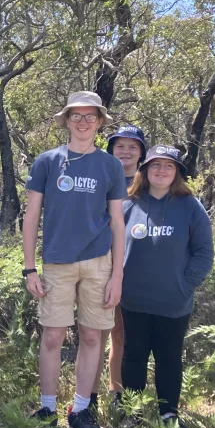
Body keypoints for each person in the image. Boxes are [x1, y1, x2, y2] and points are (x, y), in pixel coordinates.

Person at [22, 91, 127, 428]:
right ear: (66, 121)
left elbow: (116, 222)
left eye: (89, 116)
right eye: (76, 116)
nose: (83, 122)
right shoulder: (48, 162)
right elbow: (32, 215)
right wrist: (29, 268)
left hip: (99, 263)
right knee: (52, 335)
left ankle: (81, 411)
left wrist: (117, 275)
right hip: (56, 262)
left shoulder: (110, 165)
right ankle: (48, 409)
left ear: (99, 121)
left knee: (92, 335)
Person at [119, 145, 213, 428]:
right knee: (133, 355)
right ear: (144, 170)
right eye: (155, 165)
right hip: (132, 299)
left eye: (168, 166)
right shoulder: (127, 204)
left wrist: (185, 285)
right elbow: (111, 248)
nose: (161, 171)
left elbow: (203, 253)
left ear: (177, 174)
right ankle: (132, 413)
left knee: (169, 357)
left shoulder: (190, 207)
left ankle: (168, 415)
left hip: (174, 302)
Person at [94, 124, 146, 411]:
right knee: (98, 331)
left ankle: (119, 394)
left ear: (141, 153)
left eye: (132, 147)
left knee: (123, 335)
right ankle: (89, 395)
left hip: (136, 269)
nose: (125, 152)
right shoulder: (103, 178)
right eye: (120, 146)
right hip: (102, 266)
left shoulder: (150, 182)